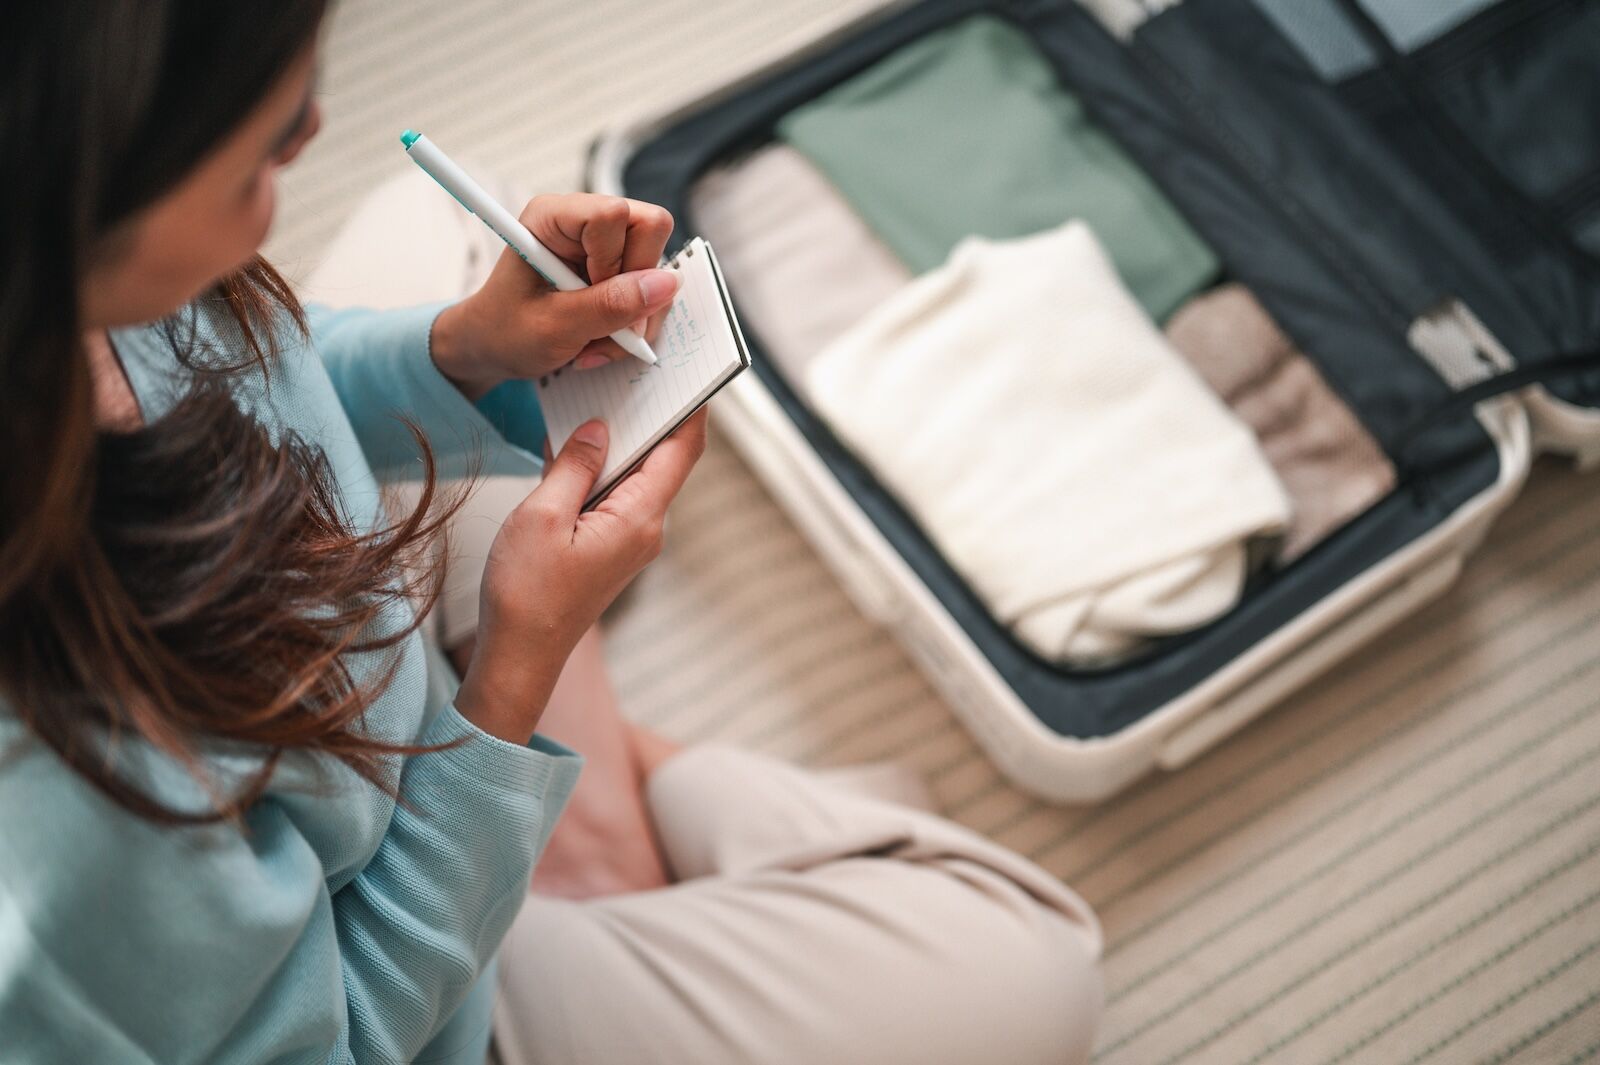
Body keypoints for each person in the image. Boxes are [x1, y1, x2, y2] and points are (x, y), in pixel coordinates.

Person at [0, 4, 1103, 1064]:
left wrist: (465, 351)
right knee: (1035, 962)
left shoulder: (70, 289)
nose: (311, 129)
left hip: (353, 693)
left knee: (434, 220)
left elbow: (257, 368)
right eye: (259, 156)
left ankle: (561, 795)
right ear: (80, 190)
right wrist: (522, 677)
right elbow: (337, 1041)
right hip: (401, 973)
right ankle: (582, 829)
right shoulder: (73, 822)